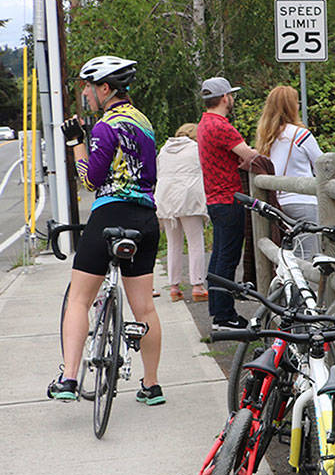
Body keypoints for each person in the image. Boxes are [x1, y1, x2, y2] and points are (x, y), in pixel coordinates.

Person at [48, 55, 165, 405]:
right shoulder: (144, 123)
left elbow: (90, 180)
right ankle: (152, 385)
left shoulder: (104, 127)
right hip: (145, 217)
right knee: (144, 308)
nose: (84, 91)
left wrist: (76, 144)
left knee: (79, 299)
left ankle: (69, 378)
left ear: (105, 88)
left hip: (110, 214)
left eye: (88, 85)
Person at [197, 76, 258, 328]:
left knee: (219, 256)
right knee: (227, 259)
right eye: (231, 95)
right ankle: (224, 316)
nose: (232, 99)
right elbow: (251, 156)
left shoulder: (204, 124)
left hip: (214, 198)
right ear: (224, 98)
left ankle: (219, 310)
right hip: (229, 197)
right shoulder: (222, 126)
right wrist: (253, 156)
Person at [255, 85, 323, 257]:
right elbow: (322, 165)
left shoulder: (265, 136)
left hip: (278, 203)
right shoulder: (300, 135)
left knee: (286, 257)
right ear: (292, 106)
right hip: (303, 201)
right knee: (304, 256)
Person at [155, 122, 208, 303]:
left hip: (166, 198)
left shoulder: (164, 150)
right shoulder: (196, 149)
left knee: (173, 243)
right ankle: (198, 286)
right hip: (189, 196)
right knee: (195, 241)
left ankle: (174, 288)